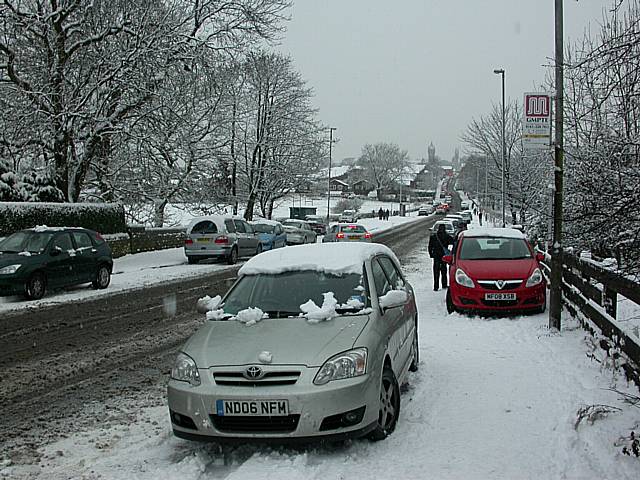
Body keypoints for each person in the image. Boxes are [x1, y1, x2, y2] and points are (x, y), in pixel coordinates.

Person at [428, 223, 454, 291]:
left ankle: (436, 286)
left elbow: (430, 246)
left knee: (436, 272)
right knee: (444, 271)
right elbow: (453, 242)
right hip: (444, 256)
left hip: (436, 256)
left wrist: (431, 254)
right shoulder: (446, 236)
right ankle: (444, 284)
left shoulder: (434, 236)